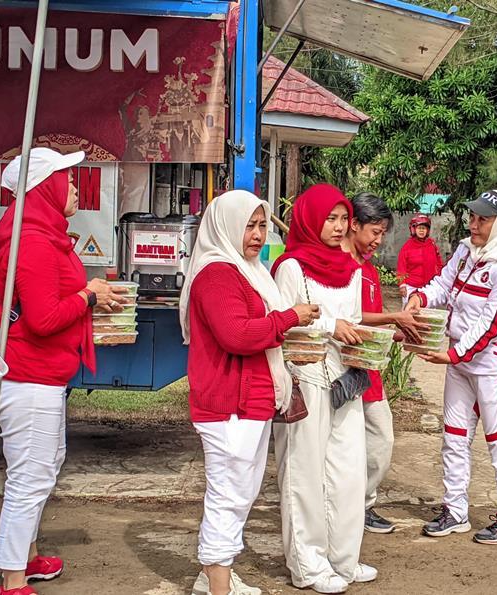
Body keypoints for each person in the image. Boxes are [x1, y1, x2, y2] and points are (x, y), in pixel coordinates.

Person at [0, 148, 127, 595]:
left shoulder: (41, 234)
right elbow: (42, 318)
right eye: (67, 179)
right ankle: (12, 579)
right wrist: (88, 296)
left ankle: (27, 558)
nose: (75, 186)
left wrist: (91, 292)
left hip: (43, 374)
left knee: (43, 466)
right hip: (28, 375)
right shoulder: (30, 240)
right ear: (43, 187)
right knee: (30, 476)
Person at [179, 190, 319, 595]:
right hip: (229, 403)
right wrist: (289, 317)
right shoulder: (218, 273)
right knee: (229, 495)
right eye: (249, 225)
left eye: (261, 225)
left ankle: (216, 577)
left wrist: (287, 336)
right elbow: (237, 334)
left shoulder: (245, 268)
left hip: (247, 400)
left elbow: (256, 331)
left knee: (240, 494)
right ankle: (218, 585)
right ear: (225, 227)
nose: (257, 235)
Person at [405, 189, 497, 545]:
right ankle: (455, 509)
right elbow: (444, 285)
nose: (473, 224)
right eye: (472, 217)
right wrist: (420, 297)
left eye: (483, 219)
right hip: (461, 364)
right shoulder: (467, 252)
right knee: (455, 435)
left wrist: (453, 354)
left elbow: (494, 323)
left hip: (496, 366)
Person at [271, 184, 376, 594]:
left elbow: (355, 322)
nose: (338, 226)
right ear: (310, 220)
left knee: (347, 473)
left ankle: (342, 558)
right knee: (304, 476)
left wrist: (367, 341)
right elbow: (282, 322)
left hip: (344, 382)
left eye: (342, 218)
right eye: (329, 219)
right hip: (306, 381)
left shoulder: (350, 269)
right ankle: (308, 566)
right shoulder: (291, 267)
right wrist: (331, 327)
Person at [342, 192, 428, 535]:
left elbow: (367, 321)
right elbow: (345, 317)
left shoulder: (369, 270)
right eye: (374, 232)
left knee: (380, 440)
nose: (378, 240)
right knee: (356, 443)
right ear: (354, 225)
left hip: (368, 368)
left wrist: (397, 332)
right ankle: (351, 507)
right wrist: (394, 317)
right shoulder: (340, 268)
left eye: (382, 233)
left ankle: (361, 505)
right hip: (344, 369)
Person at [396, 214, 443, 304]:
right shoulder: (407, 246)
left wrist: (440, 278)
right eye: (419, 228)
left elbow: (439, 263)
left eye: (424, 228)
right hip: (411, 287)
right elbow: (401, 267)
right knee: (409, 314)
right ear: (414, 229)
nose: (421, 230)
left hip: (428, 287)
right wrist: (402, 284)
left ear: (427, 230)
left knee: (427, 315)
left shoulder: (431, 244)